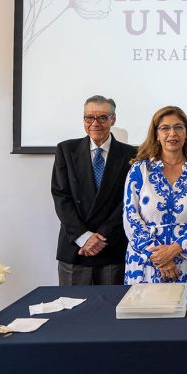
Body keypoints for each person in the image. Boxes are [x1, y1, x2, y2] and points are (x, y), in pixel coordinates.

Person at [52, 95, 135, 285]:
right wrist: (85, 238)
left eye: (102, 117)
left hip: (111, 246)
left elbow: (129, 202)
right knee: (72, 304)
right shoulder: (66, 149)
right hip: (75, 246)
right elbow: (61, 196)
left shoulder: (131, 154)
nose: (95, 123)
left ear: (113, 119)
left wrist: (101, 238)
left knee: (113, 303)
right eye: (89, 117)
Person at [124, 106, 187, 284]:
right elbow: (130, 216)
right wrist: (160, 258)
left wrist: (174, 250)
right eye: (165, 128)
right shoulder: (139, 171)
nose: (172, 133)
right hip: (147, 263)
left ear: (186, 133)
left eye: (178, 127)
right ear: (156, 134)